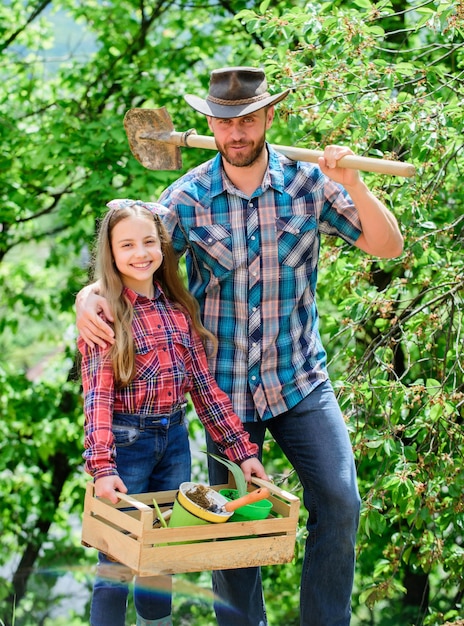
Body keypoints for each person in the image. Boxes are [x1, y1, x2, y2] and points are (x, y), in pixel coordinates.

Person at [76, 67, 404, 626]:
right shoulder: (185, 199)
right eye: (225, 122)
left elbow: (387, 246)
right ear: (210, 123)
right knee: (227, 525)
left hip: (299, 379)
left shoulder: (308, 185)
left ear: (268, 117)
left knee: (341, 502)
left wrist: (354, 183)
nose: (236, 132)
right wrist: (89, 293)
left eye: (248, 118)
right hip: (222, 389)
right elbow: (134, 260)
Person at [78, 198, 268, 626]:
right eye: (126, 245)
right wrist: (103, 467)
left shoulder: (178, 310)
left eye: (149, 242)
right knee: (118, 558)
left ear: (163, 247)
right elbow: (97, 400)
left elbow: (204, 390)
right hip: (127, 447)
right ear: (110, 252)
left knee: (162, 554)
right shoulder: (105, 314)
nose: (140, 253)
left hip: (175, 442)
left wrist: (243, 452)